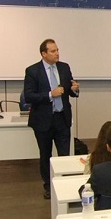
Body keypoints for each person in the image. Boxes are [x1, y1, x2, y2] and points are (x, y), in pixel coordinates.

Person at [24, 38, 80, 199]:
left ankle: (65, 184)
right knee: (45, 154)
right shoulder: (33, 71)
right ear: (44, 53)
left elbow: (70, 90)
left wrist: (75, 89)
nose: (57, 53)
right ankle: (48, 186)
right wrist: (50, 94)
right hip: (43, 120)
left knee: (64, 153)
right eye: (53, 51)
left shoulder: (64, 67)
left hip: (62, 118)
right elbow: (29, 96)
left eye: (57, 50)